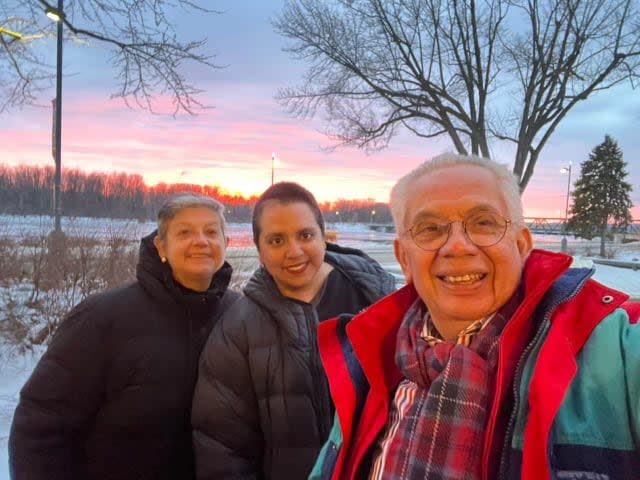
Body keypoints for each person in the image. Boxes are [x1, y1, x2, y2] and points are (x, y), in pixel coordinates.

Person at [311, 153, 640, 480]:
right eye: (429, 228)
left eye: (483, 223)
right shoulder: (370, 364)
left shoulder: (616, 353)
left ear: (522, 244)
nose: (457, 247)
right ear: (404, 259)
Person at [9, 193, 240, 480]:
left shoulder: (239, 315)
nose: (201, 241)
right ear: (161, 245)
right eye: (185, 232)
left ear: (226, 244)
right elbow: (40, 426)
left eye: (211, 231)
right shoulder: (102, 317)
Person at [191, 181, 397, 479]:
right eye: (276, 240)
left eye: (305, 235)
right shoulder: (238, 329)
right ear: (260, 250)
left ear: (323, 237)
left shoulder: (379, 301)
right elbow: (222, 447)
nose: (294, 251)